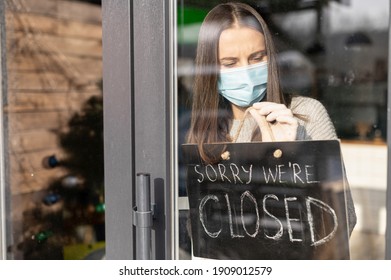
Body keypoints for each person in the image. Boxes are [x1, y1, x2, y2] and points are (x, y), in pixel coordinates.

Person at [186, 2, 356, 236]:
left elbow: (343, 221)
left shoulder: (306, 115)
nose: (245, 72)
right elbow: (200, 230)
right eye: (230, 63)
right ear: (211, 70)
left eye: (257, 58)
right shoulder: (206, 130)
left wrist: (289, 154)